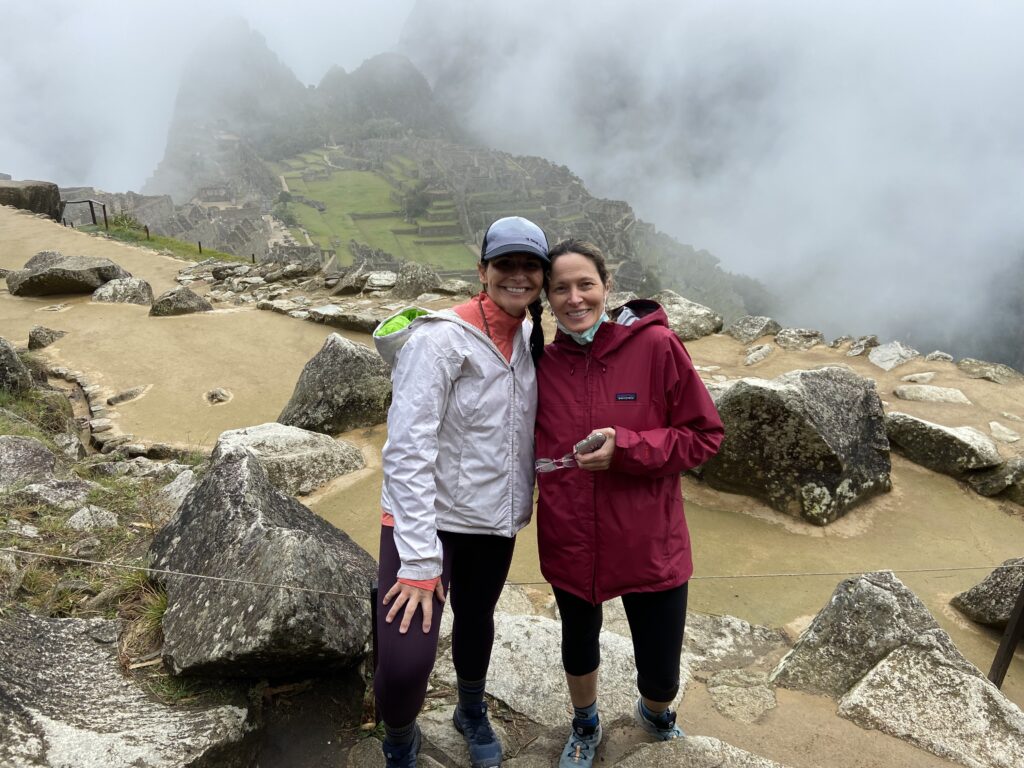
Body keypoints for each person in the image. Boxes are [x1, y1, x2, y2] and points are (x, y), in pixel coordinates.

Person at [533, 239, 725, 767]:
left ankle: (656, 713)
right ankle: (585, 724)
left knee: (661, 671)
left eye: (585, 284)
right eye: (560, 288)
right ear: (547, 298)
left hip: (649, 538)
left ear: (607, 287)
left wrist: (629, 448)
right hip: (572, 535)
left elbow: (704, 435)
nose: (575, 298)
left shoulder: (657, 346)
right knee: (578, 644)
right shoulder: (542, 363)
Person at [371, 216, 549, 768]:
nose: (517, 275)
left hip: (491, 521)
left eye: (530, 266)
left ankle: (470, 709)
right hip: (424, 522)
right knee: (405, 662)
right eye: (505, 264)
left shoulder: (530, 336)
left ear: (542, 277)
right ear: (482, 271)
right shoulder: (440, 341)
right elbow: (407, 451)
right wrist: (419, 561)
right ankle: (399, 737)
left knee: (477, 620)